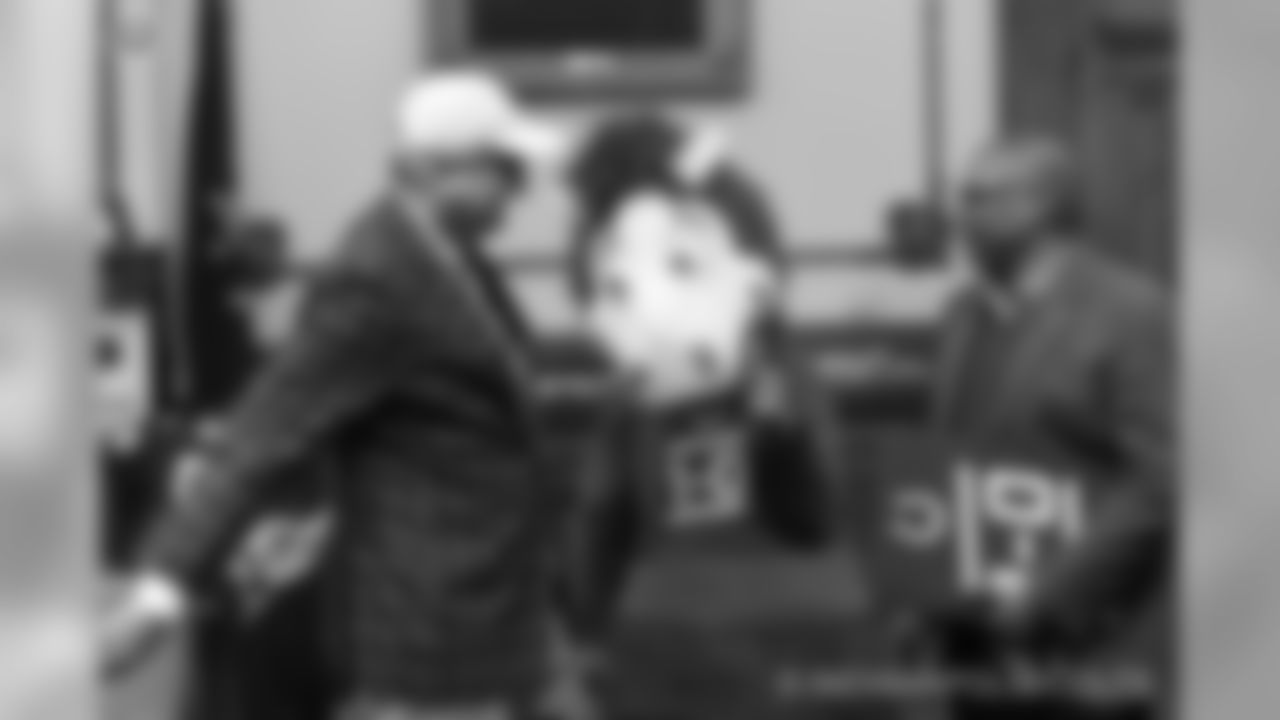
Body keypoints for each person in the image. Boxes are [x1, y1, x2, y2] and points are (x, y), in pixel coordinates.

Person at [103, 70, 578, 720]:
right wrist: (158, 593)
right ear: (428, 170)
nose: (522, 185)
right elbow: (260, 439)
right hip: (431, 637)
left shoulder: (455, 256)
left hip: (505, 607)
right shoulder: (377, 278)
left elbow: (493, 401)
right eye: (503, 167)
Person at [561, 112, 886, 720]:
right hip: (815, 636)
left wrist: (588, 629)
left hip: (673, 639)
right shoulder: (788, 366)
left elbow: (600, 518)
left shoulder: (632, 393)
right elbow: (823, 508)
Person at [922, 136, 1173, 720]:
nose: (960, 216)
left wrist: (1044, 593)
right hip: (976, 642)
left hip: (1093, 639)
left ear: (1042, 206)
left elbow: (1161, 482)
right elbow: (950, 455)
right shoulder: (963, 313)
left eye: (979, 198)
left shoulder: (1131, 311)